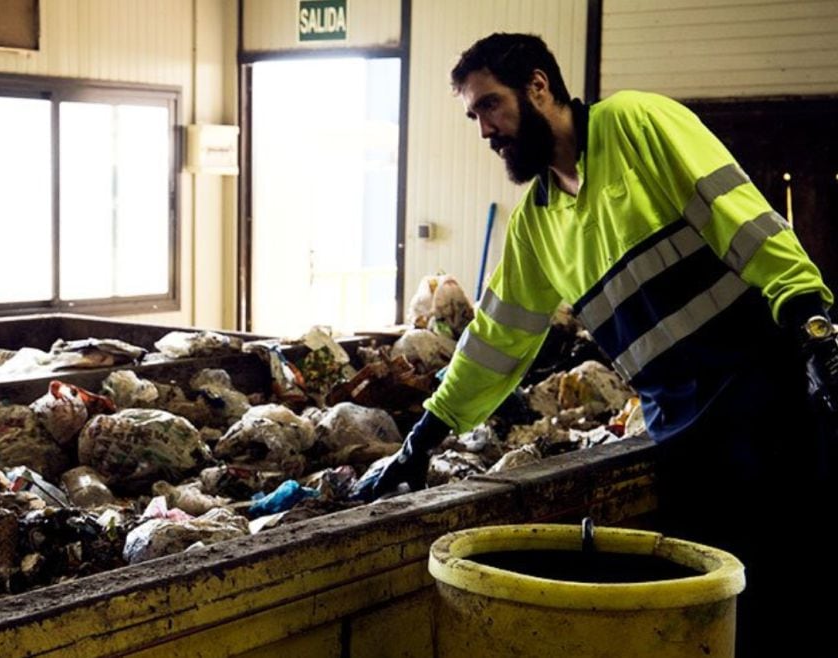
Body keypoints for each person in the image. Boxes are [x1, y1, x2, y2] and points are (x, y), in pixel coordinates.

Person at [351, 32, 838, 656]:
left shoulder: (636, 125)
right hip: (684, 438)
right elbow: (495, 341)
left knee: (802, 587)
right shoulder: (538, 222)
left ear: (538, 86)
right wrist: (420, 442)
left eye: (491, 106)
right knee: (719, 612)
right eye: (474, 115)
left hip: (765, 403)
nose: (484, 130)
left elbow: (740, 217)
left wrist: (811, 319)